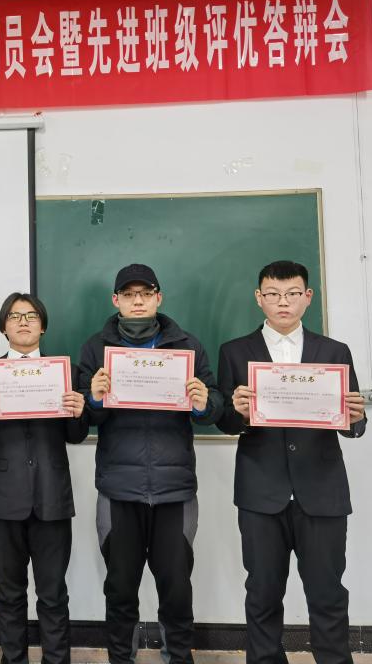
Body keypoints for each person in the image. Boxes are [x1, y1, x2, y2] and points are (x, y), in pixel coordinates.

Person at [216, 260, 367, 664]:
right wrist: (237, 412)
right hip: (260, 492)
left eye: (292, 294)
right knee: (262, 595)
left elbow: (354, 423)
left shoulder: (334, 351)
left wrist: (356, 418)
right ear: (259, 298)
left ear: (307, 297)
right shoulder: (235, 351)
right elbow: (225, 422)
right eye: (273, 294)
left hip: (322, 491)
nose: (283, 302)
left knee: (327, 595)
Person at [77, 264, 223, 664]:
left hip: (174, 489)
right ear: (116, 300)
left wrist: (203, 402)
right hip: (118, 489)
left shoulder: (187, 345)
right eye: (128, 294)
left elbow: (214, 403)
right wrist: (93, 397)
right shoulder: (95, 348)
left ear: (159, 297)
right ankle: (120, 658)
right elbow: (82, 416)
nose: (137, 301)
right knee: (120, 588)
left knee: (176, 587)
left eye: (145, 293)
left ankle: (178, 656)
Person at [0, 292, 88, 664]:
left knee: (53, 594)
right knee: (9, 594)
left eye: (31, 316)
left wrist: (78, 412)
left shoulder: (66, 372)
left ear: (43, 326)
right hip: (4, 498)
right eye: (14, 316)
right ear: (4, 327)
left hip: (52, 496)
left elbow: (76, 435)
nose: (23, 322)